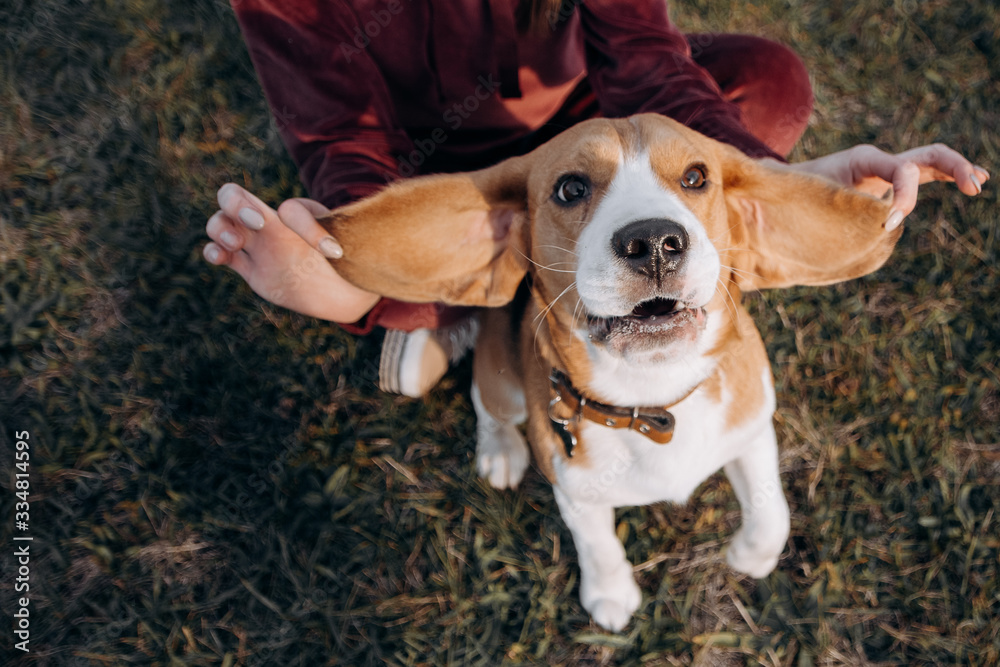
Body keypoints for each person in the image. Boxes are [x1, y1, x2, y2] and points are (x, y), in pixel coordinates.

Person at [203, 0, 988, 397]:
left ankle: (492, 297)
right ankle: (460, 311)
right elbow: (342, 141)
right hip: (440, 169)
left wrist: (787, 180)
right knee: (382, 264)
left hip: (601, 126)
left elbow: (649, 64)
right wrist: (337, 277)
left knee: (771, 80)